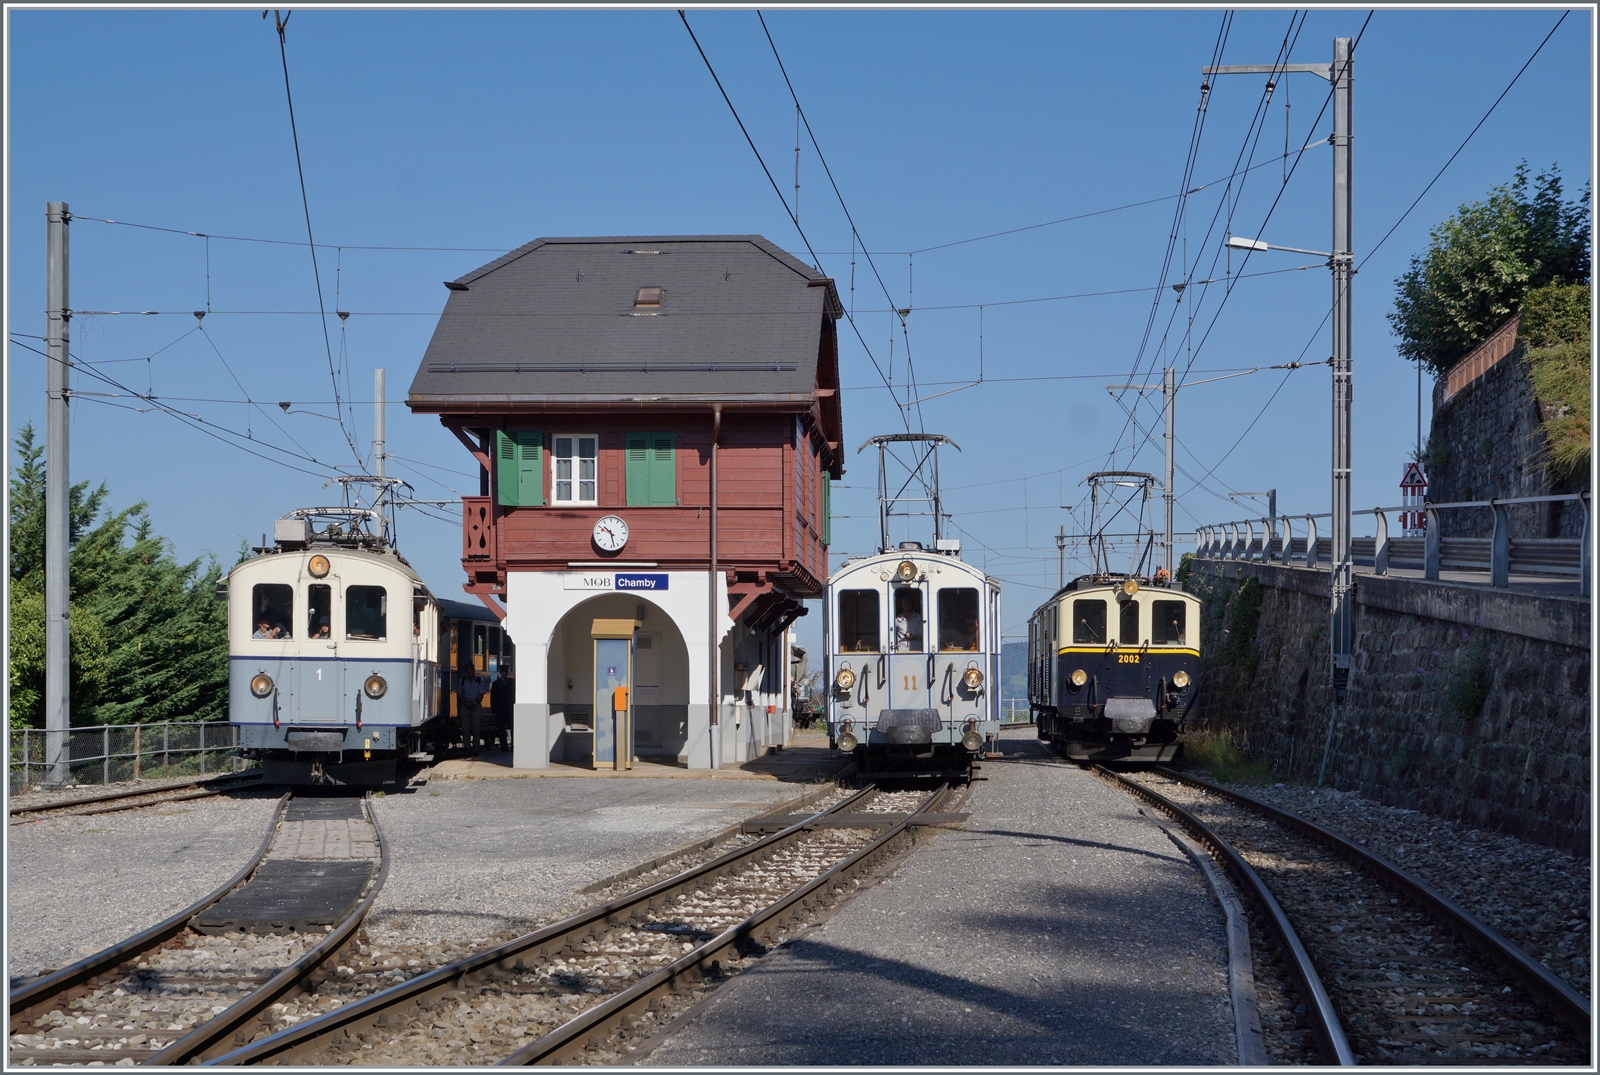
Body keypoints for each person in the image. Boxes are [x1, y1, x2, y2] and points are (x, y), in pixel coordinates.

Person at [459, 669, 486, 752]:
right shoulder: (462, 680)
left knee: (476, 729)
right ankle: (467, 748)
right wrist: (466, 703)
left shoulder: (479, 680)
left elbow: (481, 694)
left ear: (473, 670)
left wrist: (474, 702)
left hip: (476, 706)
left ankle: (476, 748)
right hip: (465, 706)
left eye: (470, 670)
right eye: (468, 669)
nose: (469, 672)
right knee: (465, 729)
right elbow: (459, 694)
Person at [489, 668, 514, 752]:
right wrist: (494, 711)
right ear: (500, 673)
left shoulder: (511, 682)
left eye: (506, 671)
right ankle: (504, 747)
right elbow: (493, 698)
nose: (505, 673)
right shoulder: (496, 684)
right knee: (501, 729)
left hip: (510, 709)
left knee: (512, 728)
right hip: (500, 709)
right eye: (503, 671)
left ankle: (514, 745)